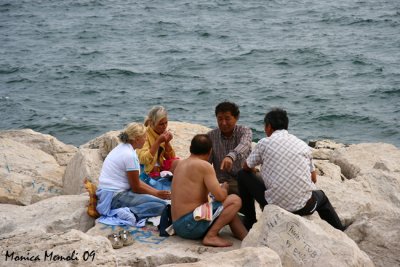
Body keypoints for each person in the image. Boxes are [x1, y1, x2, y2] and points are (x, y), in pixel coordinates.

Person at [237, 108, 345, 231]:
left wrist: (256, 171)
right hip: (304, 207)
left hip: (275, 206)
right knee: (322, 198)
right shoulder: (302, 144)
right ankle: (340, 229)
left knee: (242, 175)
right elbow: (313, 179)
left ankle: (250, 222)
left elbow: (246, 167)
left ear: (269, 127)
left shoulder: (264, 143)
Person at [171, 134, 248, 247]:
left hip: (178, 225)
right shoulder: (204, 166)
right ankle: (211, 236)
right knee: (234, 200)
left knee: (227, 210)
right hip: (189, 225)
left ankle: (246, 238)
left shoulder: (179, 163)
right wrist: (225, 188)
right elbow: (220, 196)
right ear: (210, 151)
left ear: (190, 148)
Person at [96, 122, 171, 225]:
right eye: (144, 137)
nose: (145, 140)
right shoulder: (129, 155)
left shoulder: (123, 147)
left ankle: (130, 210)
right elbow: (136, 187)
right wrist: (157, 193)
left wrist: (156, 192)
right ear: (137, 139)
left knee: (157, 200)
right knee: (163, 206)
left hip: (108, 194)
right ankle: (131, 213)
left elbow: (136, 182)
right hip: (114, 197)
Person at [207, 101, 252, 194]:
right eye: (220, 119)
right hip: (222, 182)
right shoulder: (211, 136)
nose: (223, 123)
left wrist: (231, 156)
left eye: (227, 119)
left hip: (244, 177)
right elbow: (206, 162)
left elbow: (245, 144)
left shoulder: (244, 131)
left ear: (236, 118)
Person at [137, 106, 179, 190]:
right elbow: (143, 159)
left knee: (178, 163)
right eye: (161, 124)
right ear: (152, 123)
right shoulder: (144, 134)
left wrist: (167, 142)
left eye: (166, 123)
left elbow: (171, 158)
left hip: (160, 170)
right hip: (147, 172)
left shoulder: (161, 133)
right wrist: (158, 142)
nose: (164, 126)